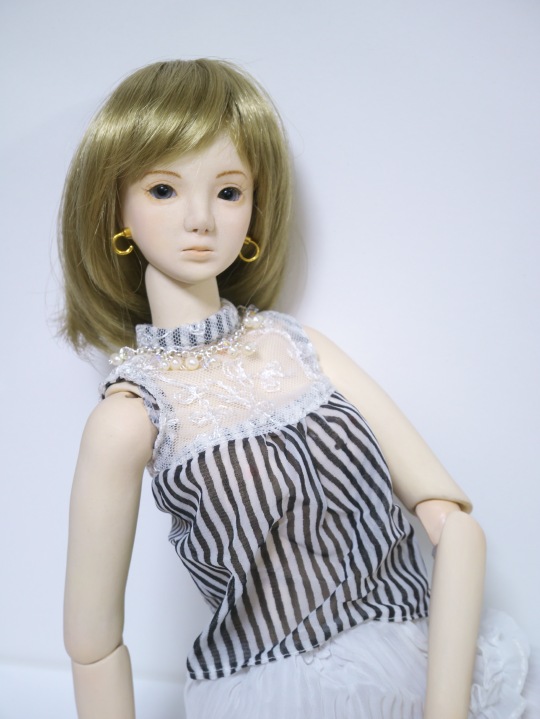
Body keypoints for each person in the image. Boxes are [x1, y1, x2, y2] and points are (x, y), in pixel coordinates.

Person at [60, 59, 529, 719]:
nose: (199, 218)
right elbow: (92, 646)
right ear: (116, 209)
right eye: (163, 189)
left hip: (420, 660)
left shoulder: (300, 348)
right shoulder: (132, 416)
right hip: (277, 691)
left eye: (228, 191)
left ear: (256, 207)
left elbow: (453, 524)